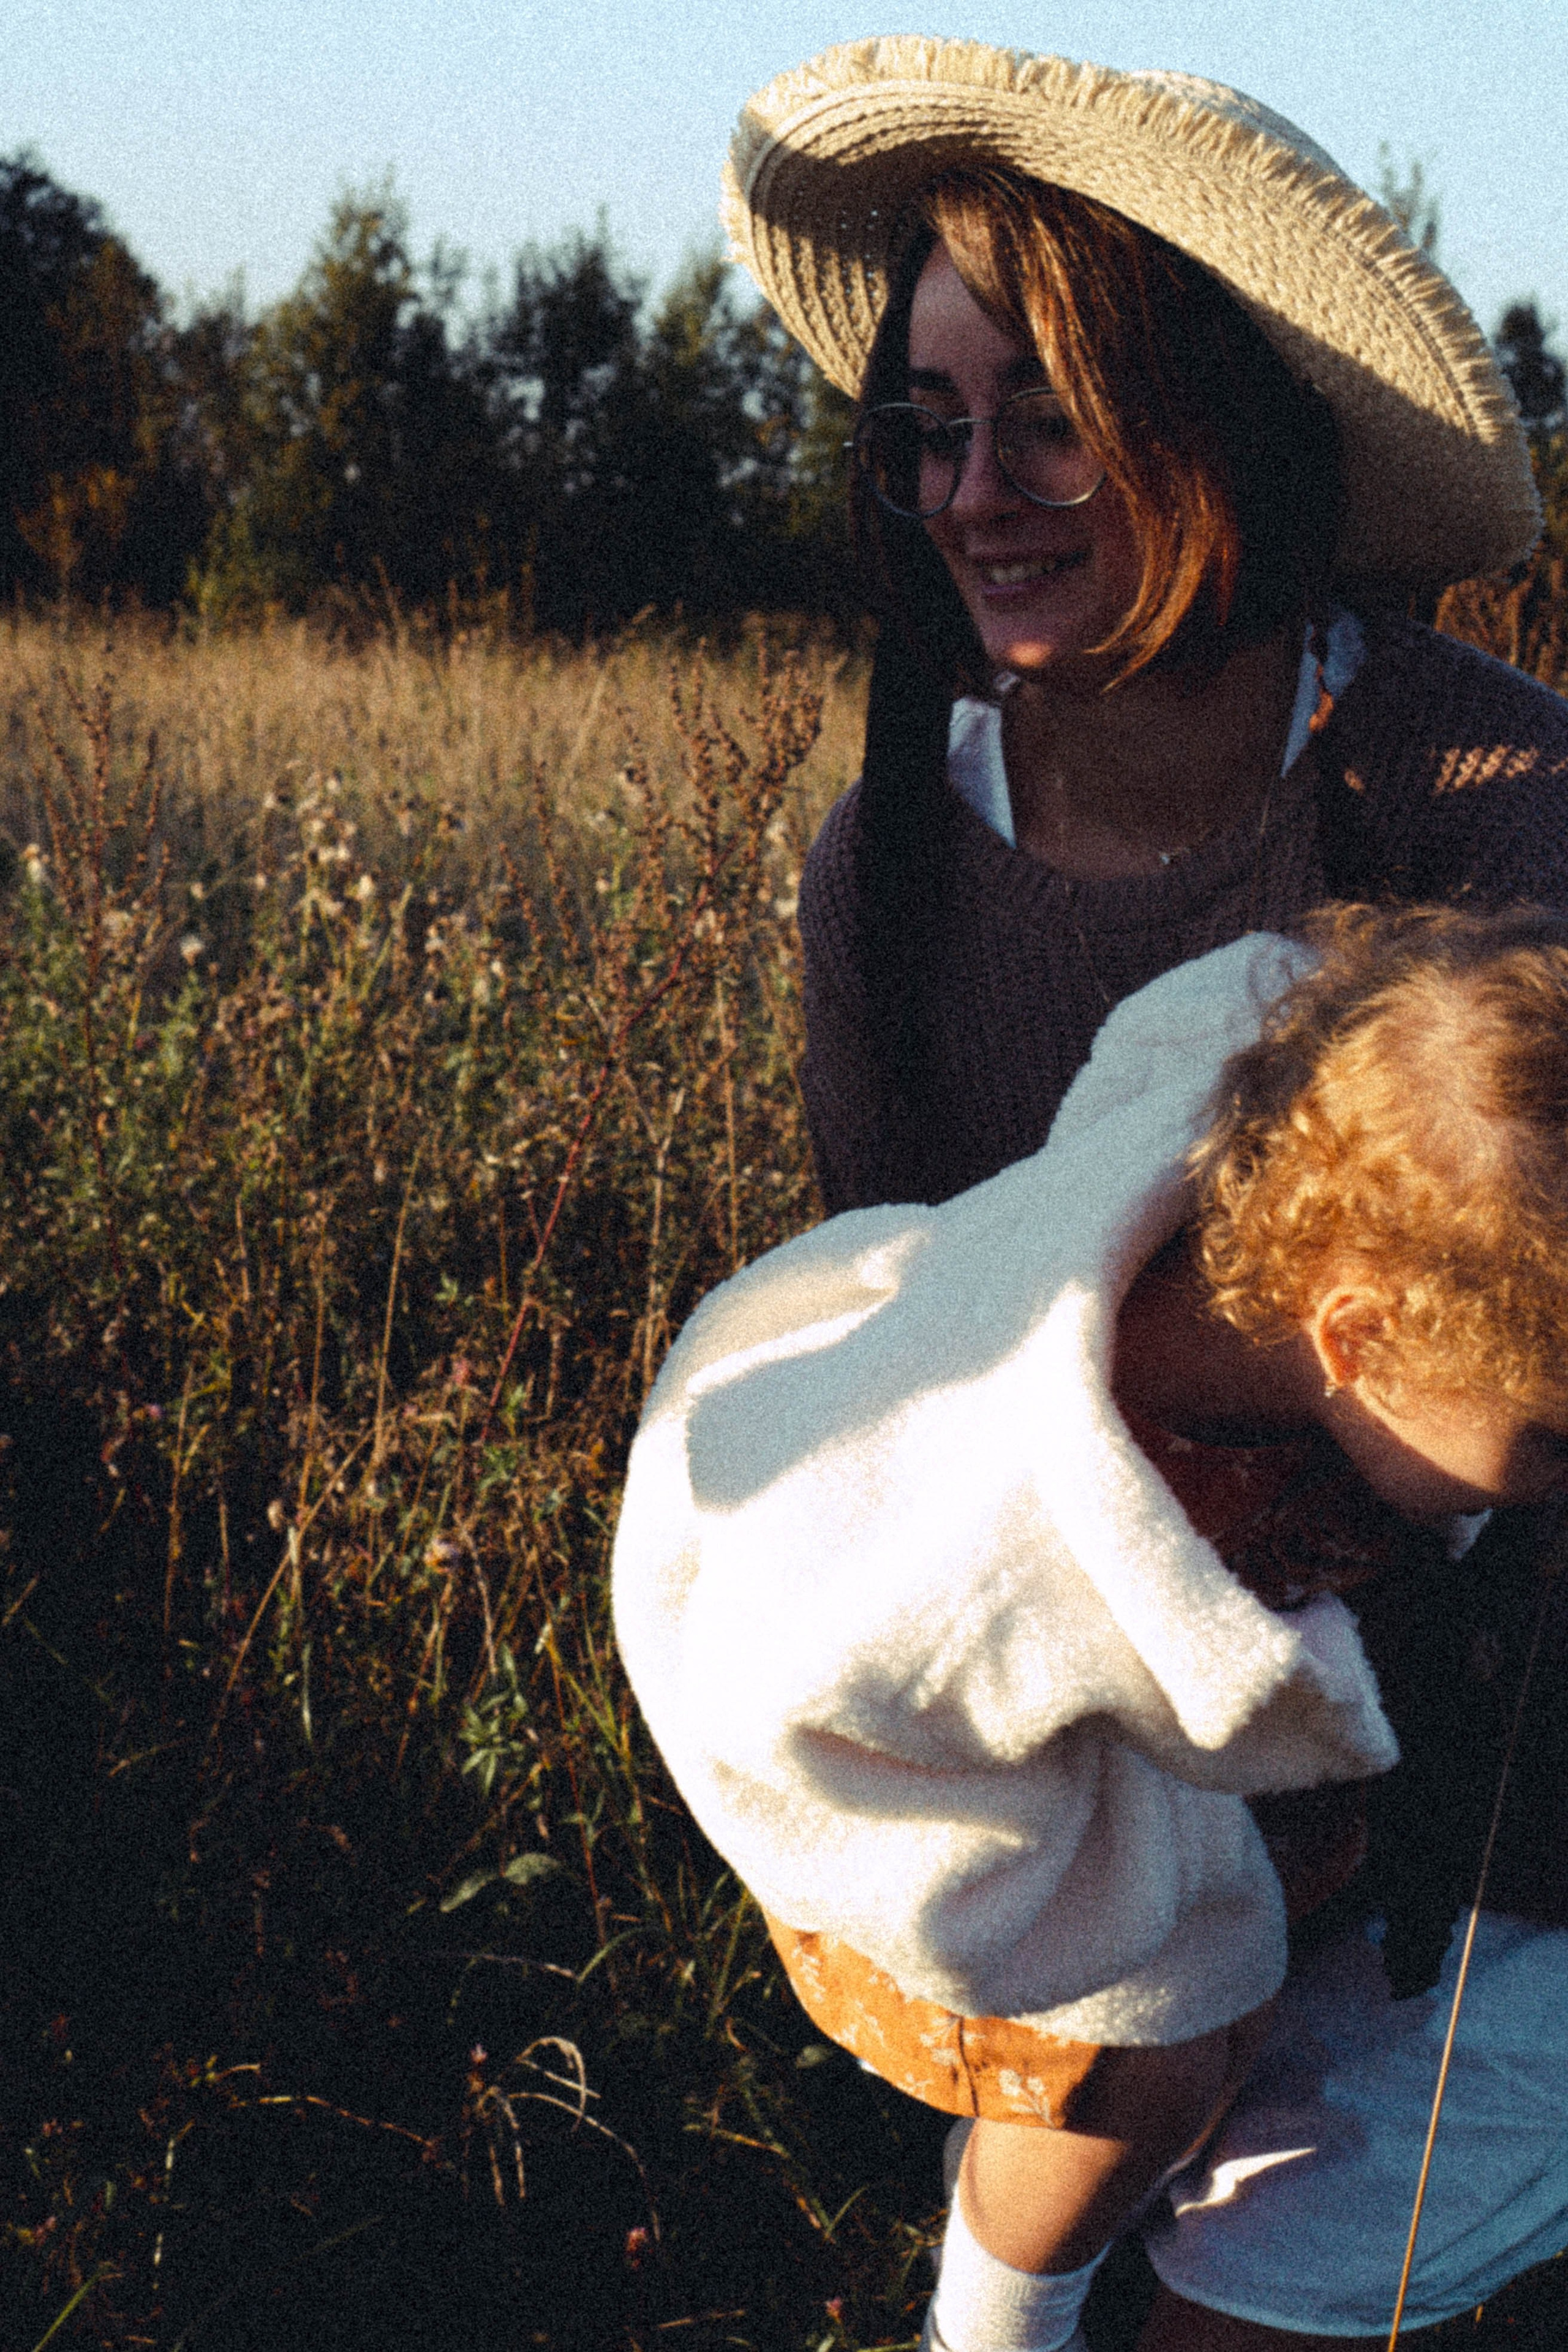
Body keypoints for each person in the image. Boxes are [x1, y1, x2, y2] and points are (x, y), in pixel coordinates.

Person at [707, 36, 1568, 2345]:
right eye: (929, 424)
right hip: (1098, 1779)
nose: (975, 488)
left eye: (1050, 415)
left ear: (1217, 422)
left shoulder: (1478, 802)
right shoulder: (889, 863)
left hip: (1496, 1804)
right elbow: (905, 1361)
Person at [612, 903, 1568, 2351]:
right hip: (922, 1814)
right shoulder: (967, 1545)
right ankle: (996, 2317)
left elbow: (1244, 997)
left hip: (1028, 1705)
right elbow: (795, 1712)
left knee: (1253, 1968)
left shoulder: (1295, 1161)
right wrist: (1125, 1931)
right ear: (1356, 1337)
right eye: (1550, 1440)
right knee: (1150, 2070)